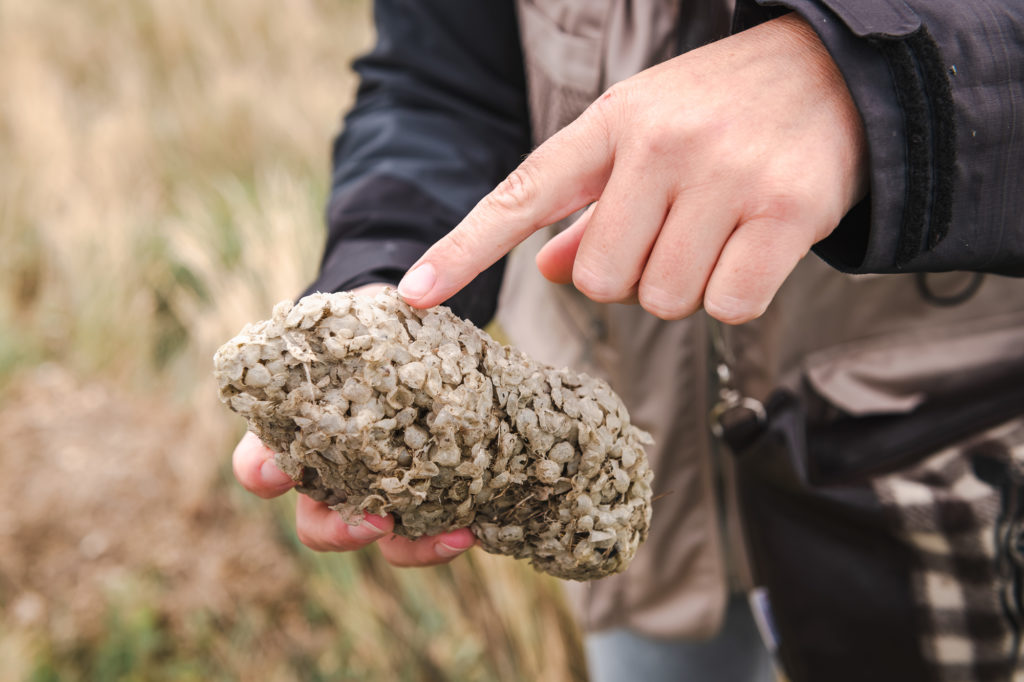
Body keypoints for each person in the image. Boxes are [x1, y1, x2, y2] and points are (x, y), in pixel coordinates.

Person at [234, 1, 1024, 679]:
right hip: (633, 499)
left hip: (932, 453)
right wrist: (383, 289)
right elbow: (437, 82)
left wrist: (875, 88)